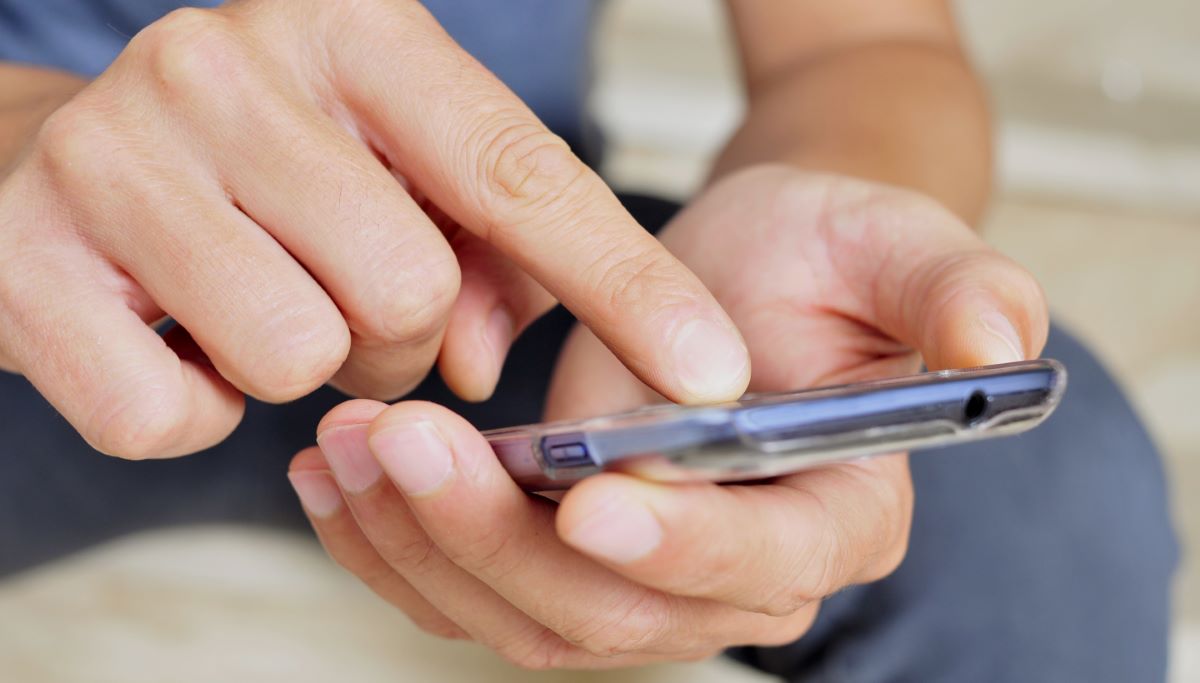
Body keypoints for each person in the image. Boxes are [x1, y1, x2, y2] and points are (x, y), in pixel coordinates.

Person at [0, 0, 1177, 680]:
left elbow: (864, 48)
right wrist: (32, 135)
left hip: (510, 289)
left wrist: (823, 198)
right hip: (29, 269)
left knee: (1047, 505)